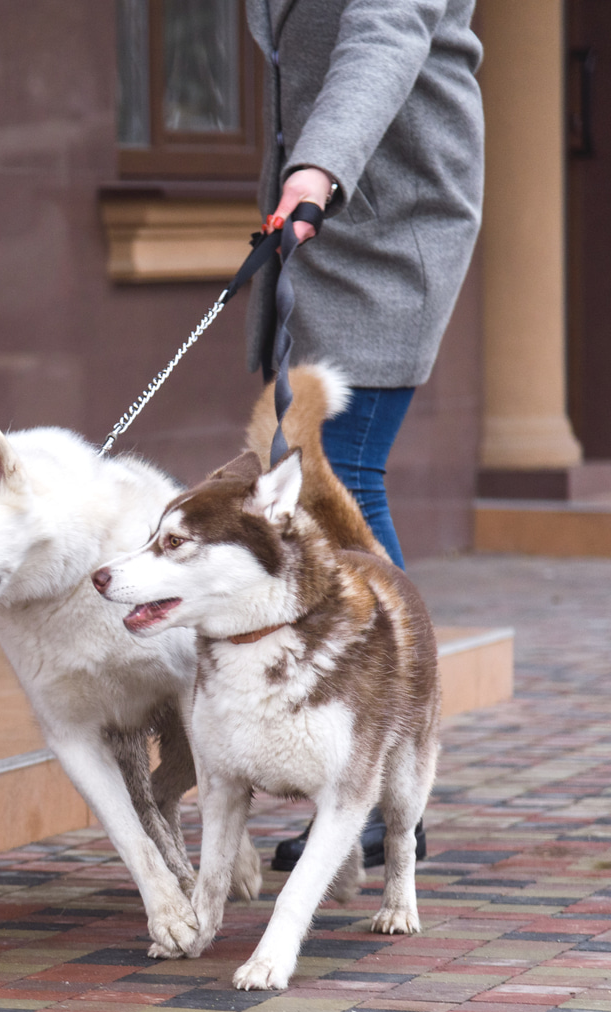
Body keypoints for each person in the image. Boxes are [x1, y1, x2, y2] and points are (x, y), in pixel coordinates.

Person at [246, 0, 483, 869]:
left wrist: (316, 167)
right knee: (319, 485)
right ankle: (375, 778)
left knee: (328, 478)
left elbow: (385, 33)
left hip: (388, 221)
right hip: (325, 223)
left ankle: (386, 779)